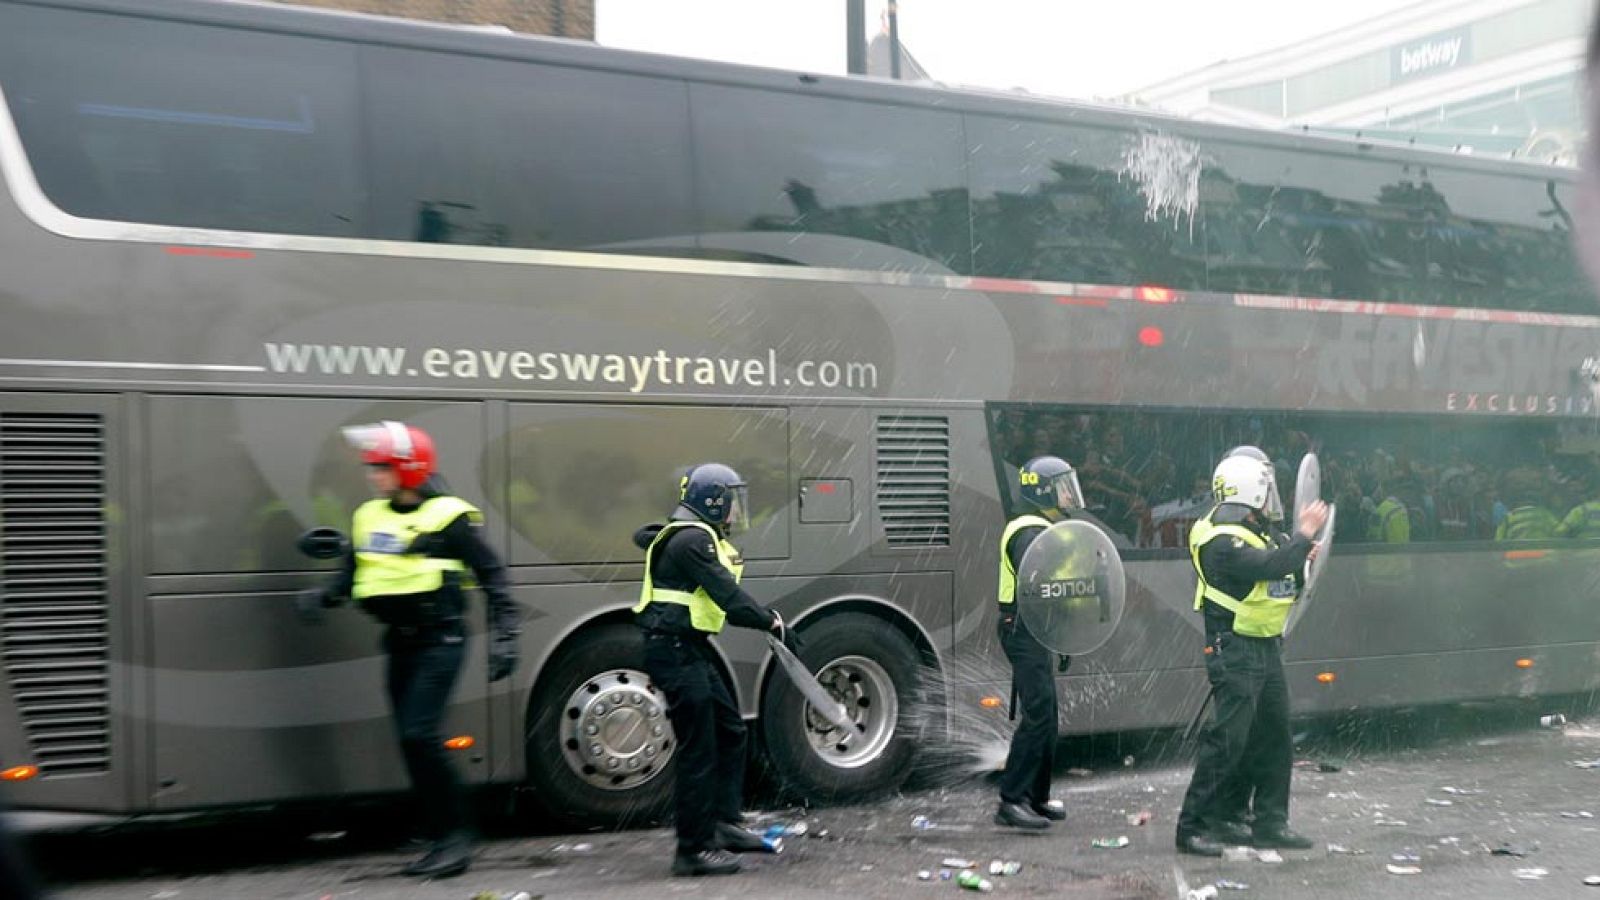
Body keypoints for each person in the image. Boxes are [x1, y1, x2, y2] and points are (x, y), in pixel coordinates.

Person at [297, 421, 520, 880]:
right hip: (399, 642)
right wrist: (324, 595)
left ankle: (456, 837)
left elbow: (492, 574)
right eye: (372, 467)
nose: (372, 475)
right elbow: (354, 568)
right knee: (410, 741)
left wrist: (505, 634)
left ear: (410, 469)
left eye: (382, 467)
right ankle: (439, 832)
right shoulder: (368, 515)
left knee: (419, 735)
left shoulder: (448, 518)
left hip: (441, 639)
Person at [633, 463, 788, 877]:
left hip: (691, 647)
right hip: (674, 651)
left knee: (730, 730)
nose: (737, 511)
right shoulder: (691, 541)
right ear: (712, 501)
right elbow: (729, 597)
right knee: (698, 749)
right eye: (733, 501)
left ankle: (722, 823)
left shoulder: (695, 536)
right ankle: (692, 849)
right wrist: (771, 621)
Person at [1175, 453, 1328, 857]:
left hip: (1265, 645)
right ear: (1248, 493)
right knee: (1227, 741)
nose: (1270, 503)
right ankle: (1192, 827)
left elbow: (1283, 565)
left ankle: (1269, 823)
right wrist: (1304, 535)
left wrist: (1300, 553)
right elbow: (1271, 564)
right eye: (1265, 495)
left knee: (1274, 737)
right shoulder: (1219, 539)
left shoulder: (1252, 529)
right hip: (1234, 648)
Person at [992, 455, 1082, 829]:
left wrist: (1058, 637)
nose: (1068, 495)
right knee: (1038, 716)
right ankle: (1011, 801)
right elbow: (1039, 585)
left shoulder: (1042, 526)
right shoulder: (1029, 530)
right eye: (1063, 487)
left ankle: (1037, 796)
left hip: (1034, 629)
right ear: (1043, 490)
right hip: (1023, 631)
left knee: (1048, 717)